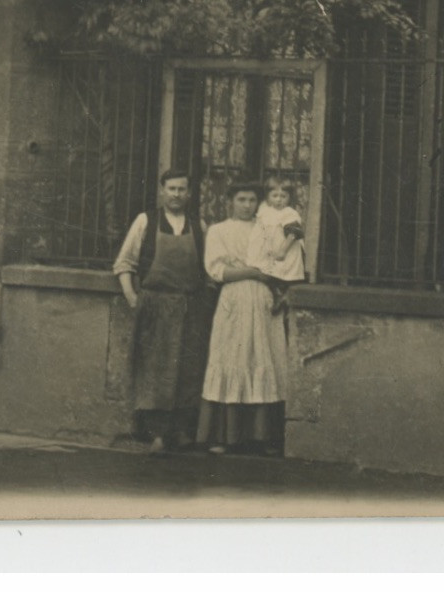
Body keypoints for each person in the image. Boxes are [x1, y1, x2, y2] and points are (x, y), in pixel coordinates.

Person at [112, 169, 215, 454]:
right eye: (171, 189)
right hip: (155, 307)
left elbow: (208, 271)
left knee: (187, 369)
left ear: (190, 193)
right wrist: (133, 297)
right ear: (161, 191)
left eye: (182, 189)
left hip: (189, 307)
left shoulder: (199, 225)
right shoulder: (146, 221)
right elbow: (124, 263)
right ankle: (157, 433)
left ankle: (181, 430)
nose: (176, 195)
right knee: (156, 370)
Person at [197, 181, 298, 456]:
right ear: (230, 201)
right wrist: (254, 272)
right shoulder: (219, 231)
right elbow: (217, 271)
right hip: (234, 299)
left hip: (265, 299)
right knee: (230, 358)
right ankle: (222, 436)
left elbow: (285, 263)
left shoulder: (268, 229)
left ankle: (263, 437)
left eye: (252, 200)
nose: (247, 205)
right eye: (241, 199)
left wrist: (278, 286)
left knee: (263, 357)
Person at [250, 178, 307, 297]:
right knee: (270, 275)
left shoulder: (288, 213)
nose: (279, 200)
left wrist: (283, 251)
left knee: (283, 276)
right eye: (274, 196)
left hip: (286, 251)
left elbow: (293, 233)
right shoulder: (266, 211)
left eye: (283, 196)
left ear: (289, 198)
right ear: (268, 197)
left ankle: (281, 298)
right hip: (271, 252)